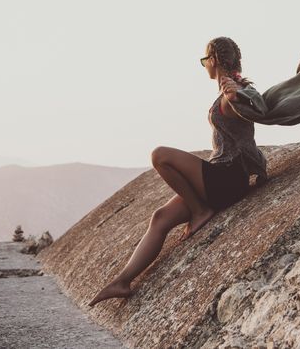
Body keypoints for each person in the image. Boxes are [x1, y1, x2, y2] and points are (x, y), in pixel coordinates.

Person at [87, 36, 268, 307]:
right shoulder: (228, 89)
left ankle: (199, 210)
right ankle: (122, 281)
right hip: (219, 178)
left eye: (205, 60)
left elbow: (245, 103)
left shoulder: (234, 92)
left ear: (214, 60)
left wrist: (235, 95)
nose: (204, 65)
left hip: (227, 178)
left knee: (160, 155)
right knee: (160, 217)